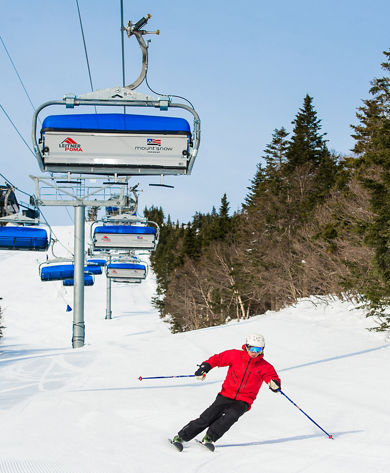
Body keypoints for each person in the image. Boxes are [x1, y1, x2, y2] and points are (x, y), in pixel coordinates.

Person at [172, 334, 281, 450]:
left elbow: (272, 377)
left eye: (258, 349)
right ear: (246, 347)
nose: (254, 352)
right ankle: (181, 437)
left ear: (262, 350)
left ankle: (209, 438)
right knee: (207, 417)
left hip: (244, 400)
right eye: (252, 348)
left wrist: (274, 384)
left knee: (230, 417)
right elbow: (217, 359)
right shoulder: (235, 355)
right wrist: (205, 367)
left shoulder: (265, 366)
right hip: (226, 394)